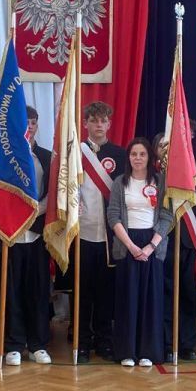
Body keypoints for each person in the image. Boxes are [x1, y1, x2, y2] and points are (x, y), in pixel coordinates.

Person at [107, 138, 172, 366]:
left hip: (152, 244)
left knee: (150, 300)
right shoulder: (119, 182)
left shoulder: (160, 181)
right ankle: (127, 352)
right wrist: (132, 246)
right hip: (127, 245)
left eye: (142, 154)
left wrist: (150, 246)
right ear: (128, 157)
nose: (137, 158)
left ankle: (148, 352)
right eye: (134, 154)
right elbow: (113, 216)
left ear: (149, 157)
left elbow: (166, 216)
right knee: (128, 299)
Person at [2, 107, 54, 366]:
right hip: (11, 233)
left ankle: (37, 344)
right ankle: (14, 344)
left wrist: (34, 212)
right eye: (25, 122)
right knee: (12, 291)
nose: (29, 127)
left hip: (36, 232)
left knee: (38, 290)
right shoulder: (5, 156)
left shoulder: (46, 157)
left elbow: (52, 193)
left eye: (33, 122)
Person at [75, 101, 126, 362]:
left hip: (109, 235)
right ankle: (82, 342)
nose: (98, 125)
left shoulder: (120, 155)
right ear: (85, 123)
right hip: (83, 232)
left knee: (106, 292)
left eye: (103, 120)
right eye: (93, 120)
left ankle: (105, 341)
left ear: (109, 124)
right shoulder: (75, 152)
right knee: (83, 292)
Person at [154, 133, 196, 362]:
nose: (166, 150)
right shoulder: (152, 176)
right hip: (162, 242)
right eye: (162, 146)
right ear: (156, 150)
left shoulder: (191, 173)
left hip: (188, 242)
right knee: (164, 295)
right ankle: (167, 343)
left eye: (170, 146)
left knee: (187, 296)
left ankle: (187, 344)